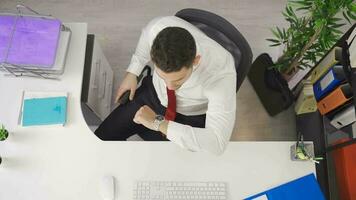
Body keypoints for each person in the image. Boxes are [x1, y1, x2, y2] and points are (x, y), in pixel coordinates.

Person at [94, 16, 236, 155]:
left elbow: (217, 143)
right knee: (101, 140)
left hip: (190, 116)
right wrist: (132, 72)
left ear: (195, 60)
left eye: (178, 80)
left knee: (167, 169)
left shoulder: (220, 74)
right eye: (164, 77)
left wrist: (158, 123)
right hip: (153, 95)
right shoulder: (159, 27)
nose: (170, 87)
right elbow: (147, 34)